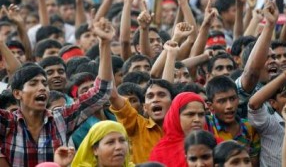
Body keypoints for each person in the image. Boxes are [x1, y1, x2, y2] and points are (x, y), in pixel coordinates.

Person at [0, 17, 113, 166]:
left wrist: (105, 43)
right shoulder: (7, 123)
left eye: (44, 83)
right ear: (17, 93)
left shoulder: (61, 119)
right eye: (33, 83)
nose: (41, 88)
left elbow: (101, 91)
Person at [110, 79, 175, 163]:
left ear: (173, 103)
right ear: (144, 107)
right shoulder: (136, 125)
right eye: (150, 96)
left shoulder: (182, 128)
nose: (155, 100)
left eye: (161, 95)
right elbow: (113, 95)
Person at [206, 76, 260, 166]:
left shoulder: (249, 127)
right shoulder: (207, 126)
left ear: (238, 99)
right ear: (210, 106)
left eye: (232, 99)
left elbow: (254, 162)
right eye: (222, 101)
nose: (229, 106)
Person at [149, 92, 206, 167]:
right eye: (190, 114)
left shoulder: (215, 145)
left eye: (201, 114)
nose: (197, 119)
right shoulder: (161, 152)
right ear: (176, 117)